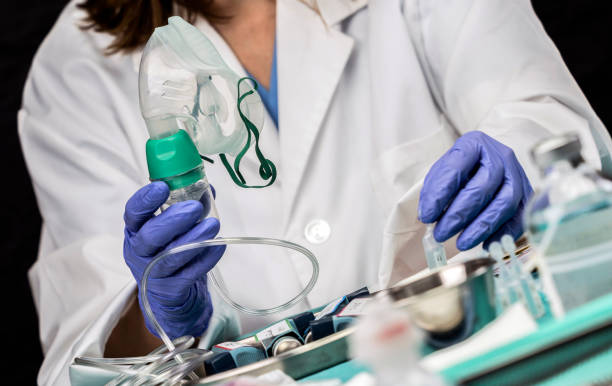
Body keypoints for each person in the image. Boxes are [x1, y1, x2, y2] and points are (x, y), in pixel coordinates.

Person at [18, 0, 612, 384]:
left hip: (483, 360)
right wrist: (157, 312)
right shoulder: (76, 66)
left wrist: (526, 164)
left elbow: (544, 116)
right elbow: (91, 352)